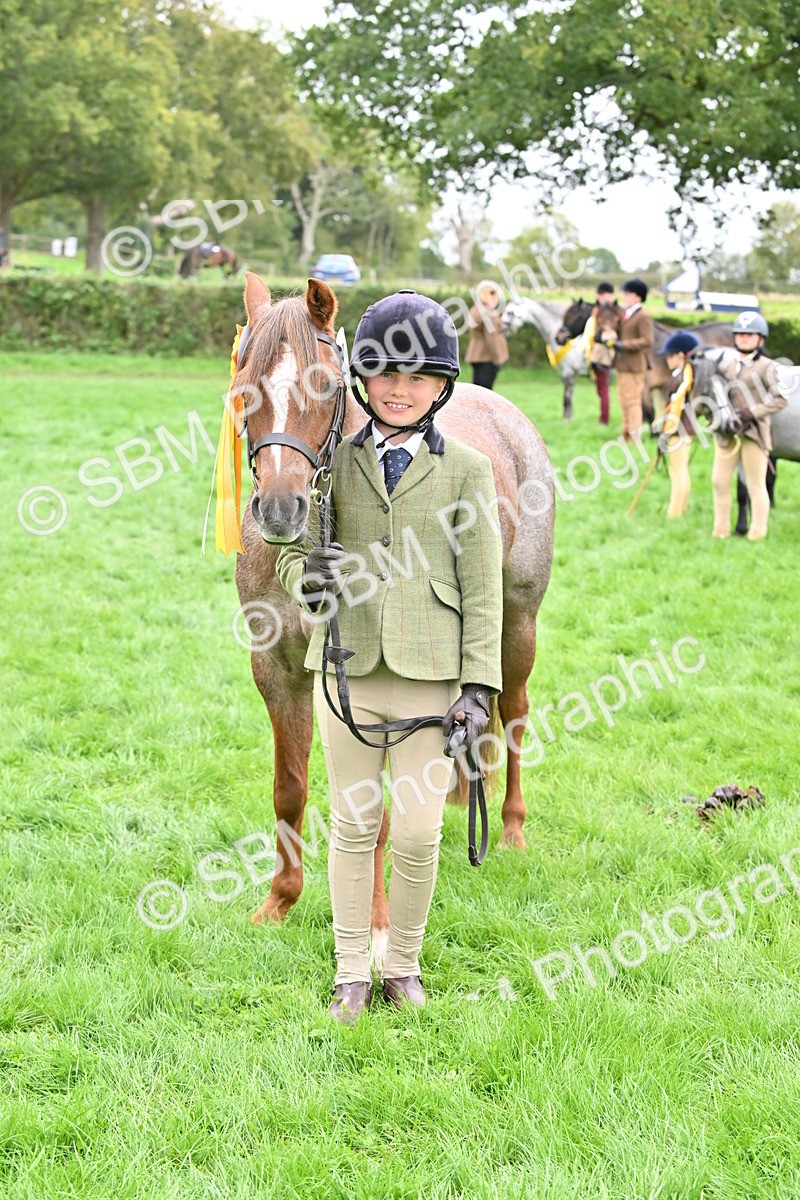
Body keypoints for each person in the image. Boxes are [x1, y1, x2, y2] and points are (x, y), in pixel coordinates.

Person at [276, 290, 504, 1023]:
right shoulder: (333, 462)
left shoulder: (468, 469)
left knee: (415, 830)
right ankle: (350, 970)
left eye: (417, 378)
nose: (399, 390)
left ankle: (400, 963)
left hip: (432, 677)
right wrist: (305, 577)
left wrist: (480, 686)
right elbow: (290, 554)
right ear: (360, 380)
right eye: (384, 375)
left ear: (442, 387)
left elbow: (483, 584)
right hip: (346, 670)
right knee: (352, 825)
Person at [709, 311, 787, 541]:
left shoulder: (768, 367)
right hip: (728, 433)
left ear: (760, 340)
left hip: (754, 433)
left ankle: (757, 533)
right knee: (719, 480)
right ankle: (720, 530)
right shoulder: (725, 365)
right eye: (740, 334)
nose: (743, 338)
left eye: (749, 335)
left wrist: (752, 413)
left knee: (755, 484)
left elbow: (780, 399)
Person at [652, 332, 699, 518]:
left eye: (670, 356)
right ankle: (682, 508)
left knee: (677, 471)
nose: (667, 360)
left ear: (681, 356)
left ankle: (674, 513)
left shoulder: (682, 379)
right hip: (684, 429)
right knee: (681, 470)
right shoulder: (682, 376)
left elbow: (676, 407)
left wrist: (666, 432)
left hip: (678, 430)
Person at [607, 278, 654, 441]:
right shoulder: (625, 314)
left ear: (638, 297)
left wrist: (623, 344)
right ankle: (625, 433)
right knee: (623, 401)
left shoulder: (643, 316)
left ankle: (634, 437)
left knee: (633, 402)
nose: (624, 296)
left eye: (627, 294)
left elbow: (648, 340)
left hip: (634, 366)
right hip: (622, 365)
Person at [584, 282, 620, 425]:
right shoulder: (599, 310)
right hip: (596, 352)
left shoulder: (611, 311)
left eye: (602, 295)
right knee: (601, 388)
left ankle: (604, 419)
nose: (600, 298)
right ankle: (603, 417)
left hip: (604, 354)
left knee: (603, 388)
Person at [465, 284, 509, 390]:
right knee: (485, 392)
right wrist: (497, 358)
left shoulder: (476, 309)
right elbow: (492, 338)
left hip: (476, 354)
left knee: (477, 389)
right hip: (487, 356)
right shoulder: (488, 312)